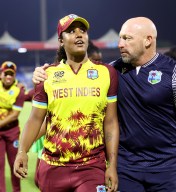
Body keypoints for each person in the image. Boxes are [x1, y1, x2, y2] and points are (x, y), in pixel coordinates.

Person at [32, 16, 176, 192]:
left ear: (148, 40)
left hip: (165, 167)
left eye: (127, 38)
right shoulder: (111, 71)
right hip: (126, 167)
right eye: (120, 38)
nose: (120, 44)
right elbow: (70, 102)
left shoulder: (175, 72)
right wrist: (43, 73)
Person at [14, 14, 119, 192]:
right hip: (53, 168)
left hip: (92, 166)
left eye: (83, 31)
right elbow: (34, 119)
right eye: (71, 31)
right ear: (61, 40)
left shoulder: (106, 73)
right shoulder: (47, 75)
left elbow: (110, 122)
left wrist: (112, 165)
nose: (79, 35)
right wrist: (22, 151)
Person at [0, 61, 25, 192]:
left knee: (14, 164)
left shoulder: (19, 91)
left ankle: (17, 190)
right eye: (6, 74)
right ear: (1, 74)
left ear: (14, 76)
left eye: (11, 74)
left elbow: (14, 115)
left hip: (12, 132)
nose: (8, 77)